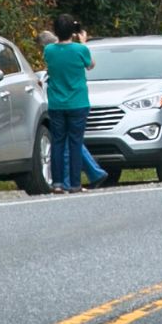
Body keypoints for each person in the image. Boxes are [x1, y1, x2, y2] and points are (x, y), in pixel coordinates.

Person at [41, 17, 108, 192]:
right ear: (73, 31)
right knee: (75, 143)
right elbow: (91, 65)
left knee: (58, 142)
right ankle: (75, 184)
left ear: (55, 31)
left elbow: (54, 56)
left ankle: (57, 183)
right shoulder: (80, 49)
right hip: (78, 102)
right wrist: (83, 42)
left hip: (56, 103)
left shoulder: (49, 50)